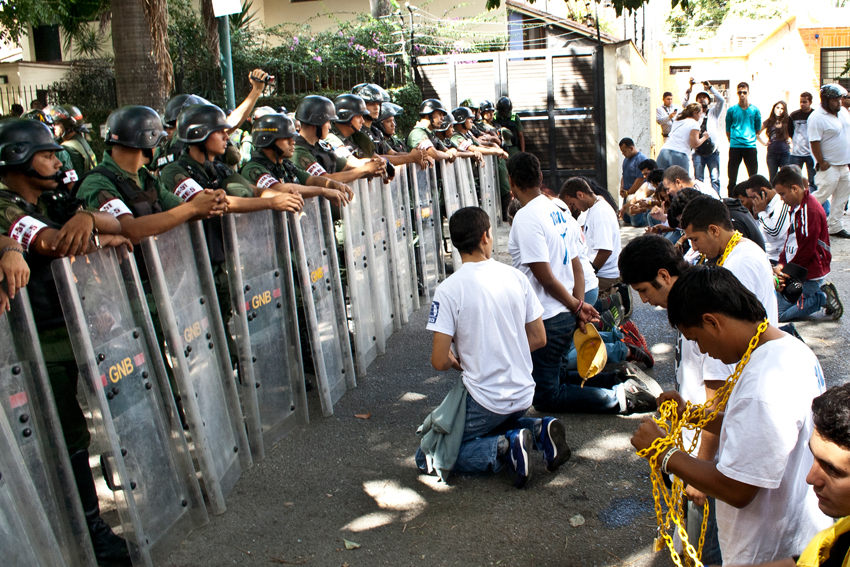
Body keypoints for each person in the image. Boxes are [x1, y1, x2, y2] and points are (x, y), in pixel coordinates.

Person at [0, 118, 134, 565]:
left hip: (65, 329)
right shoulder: (4, 204)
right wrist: (98, 233)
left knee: (73, 429)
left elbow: (118, 227)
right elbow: (56, 244)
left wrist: (87, 218)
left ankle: (84, 521)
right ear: (17, 158)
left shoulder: (52, 198)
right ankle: (81, 529)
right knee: (52, 433)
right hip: (29, 341)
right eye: (47, 154)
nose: (57, 161)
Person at [631, 265, 830, 565]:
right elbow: (755, 432)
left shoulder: (761, 384)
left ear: (712, 321)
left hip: (767, 551)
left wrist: (664, 452)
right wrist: (694, 416)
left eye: (695, 339)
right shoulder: (789, 348)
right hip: (796, 537)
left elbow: (736, 489)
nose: (702, 350)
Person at [415, 206, 569, 488]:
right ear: (486, 236)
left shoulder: (449, 290)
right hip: (523, 393)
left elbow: (439, 361)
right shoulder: (516, 277)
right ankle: (537, 429)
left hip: (486, 398)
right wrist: (507, 347)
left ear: (454, 244)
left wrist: (454, 357)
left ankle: (505, 447)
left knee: (426, 455)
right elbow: (539, 338)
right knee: (494, 420)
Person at [507, 152, 659, 416]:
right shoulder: (558, 210)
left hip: (547, 315)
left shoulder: (526, 217)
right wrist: (577, 305)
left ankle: (618, 398)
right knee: (556, 375)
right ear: (541, 177)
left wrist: (576, 307)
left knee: (545, 397)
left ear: (511, 182)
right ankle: (618, 381)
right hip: (565, 308)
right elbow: (577, 265)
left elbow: (545, 277)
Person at [618, 235, 722, 564]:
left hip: (709, 460)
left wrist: (700, 471)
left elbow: (717, 400)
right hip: (694, 446)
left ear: (664, 275)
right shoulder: (688, 305)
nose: (645, 301)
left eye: (645, 291)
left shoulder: (702, 311)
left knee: (703, 550)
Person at [727, 382, 850, 567]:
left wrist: (669, 457)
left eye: (832, 470)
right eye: (814, 457)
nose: (811, 478)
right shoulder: (840, 534)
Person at [680, 195, 776, 324]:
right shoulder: (740, 249)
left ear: (714, 230)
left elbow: (741, 324)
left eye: (695, 239)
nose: (694, 247)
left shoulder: (741, 262)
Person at [771, 166, 842, 322]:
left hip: (809, 274)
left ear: (795, 188)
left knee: (778, 315)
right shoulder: (797, 207)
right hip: (796, 270)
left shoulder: (810, 210)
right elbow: (789, 240)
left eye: (782, 194)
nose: (782, 199)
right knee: (772, 305)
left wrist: (788, 273)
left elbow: (807, 249)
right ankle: (812, 295)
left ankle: (821, 297)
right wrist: (781, 265)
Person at [240, 112, 353, 206]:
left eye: (292, 137)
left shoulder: (284, 165)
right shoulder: (253, 168)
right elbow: (279, 188)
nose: (292, 142)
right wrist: (323, 191)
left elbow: (311, 180)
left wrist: (333, 184)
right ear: (268, 140)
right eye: (286, 138)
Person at [291, 95, 385, 183]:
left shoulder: (322, 146)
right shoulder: (298, 151)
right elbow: (326, 179)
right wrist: (364, 170)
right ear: (317, 123)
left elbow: (347, 166)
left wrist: (375, 165)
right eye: (328, 122)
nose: (330, 127)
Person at [559, 177, 622, 297]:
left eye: (572, 203)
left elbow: (605, 250)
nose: (574, 208)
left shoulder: (600, 212)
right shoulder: (595, 207)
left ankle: (611, 296)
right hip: (600, 271)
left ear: (580, 194)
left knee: (571, 297)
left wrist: (591, 273)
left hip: (605, 275)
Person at [809, 84, 850, 239]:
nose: (838, 102)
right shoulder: (816, 117)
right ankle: (801, 218)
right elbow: (814, 141)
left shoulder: (843, 112)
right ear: (825, 100)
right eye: (835, 100)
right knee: (821, 195)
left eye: (840, 99)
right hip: (829, 166)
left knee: (842, 197)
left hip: (844, 164)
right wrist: (821, 161)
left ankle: (835, 225)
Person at [684, 80, 726, 195]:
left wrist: (710, 88)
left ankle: (717, 200)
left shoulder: (714, 113)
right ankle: (700, 200)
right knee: (698, 180)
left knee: (715, 179)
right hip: (698, 152)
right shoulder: (694, 114)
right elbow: (684, 104)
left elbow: (721, 100)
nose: (702, 99)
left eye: (705, 97)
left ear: (709, 100)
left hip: (713, 151)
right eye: (700, 97)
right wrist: (690, 88)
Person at [741, 175, 792, 265]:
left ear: (763, 191)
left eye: (753, 197)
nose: (753, 201)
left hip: (776, 258)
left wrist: (761, 212)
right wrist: (756, 217)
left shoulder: (781, 204)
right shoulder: (763, 205)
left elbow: (774, 232)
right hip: (763, 254)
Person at [726, 82, 762, 196]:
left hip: (750, 147)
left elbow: (757, 129)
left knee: (753, 176)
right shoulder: (731, 110)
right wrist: (733, 140)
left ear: (748, 93)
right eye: (740, 92)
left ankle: (753, 198)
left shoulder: (755, 110)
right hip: (735, 147)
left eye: (744, 92)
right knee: (732, 177)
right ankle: (731, 200)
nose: (742, 95)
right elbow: (727, 130)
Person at [657, 103, 709, 175]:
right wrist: (705, 137)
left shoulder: (677, 120)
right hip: (679, 153)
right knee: (682, 182)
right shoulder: (694, 123)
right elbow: (694, 144)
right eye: (700, 113)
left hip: (664, 151)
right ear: (695, 113)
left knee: (661, 181)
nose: (700, 116)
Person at [47, 104, 98, 175]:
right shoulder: (80, 141)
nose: (54, 127)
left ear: (68, 124)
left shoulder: (67, 148)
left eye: (57, 123)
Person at [406, 99, 457, 164]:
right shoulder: (417, 133)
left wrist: (452, 151)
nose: (442, 118)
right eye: (439, 114)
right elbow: (435, 154)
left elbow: (447, 150)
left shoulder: (431, 133)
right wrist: (448, 155)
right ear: (428, 114)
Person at [758, 101, 794, 183]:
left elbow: (795, 133)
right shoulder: (769, 121)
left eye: (782, 108)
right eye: (777, 108)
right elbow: (757, 133)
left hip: (785, 153)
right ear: (774, 108)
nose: (779, 110)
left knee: (786, 178)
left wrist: (791, 142)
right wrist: (764, 143)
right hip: (772, 154)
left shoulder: (787, 121)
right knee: (773, 179)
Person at [790, 92, 817, 189]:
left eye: (805, 102)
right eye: (801, 102)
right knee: (794, 180)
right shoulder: (794, 115)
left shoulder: (815, 115)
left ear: (810, 102)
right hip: (796, 153)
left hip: (811, 153)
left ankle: (813, 200)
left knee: (813, 181)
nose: (802, 104)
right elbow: (790, 131)